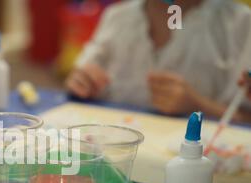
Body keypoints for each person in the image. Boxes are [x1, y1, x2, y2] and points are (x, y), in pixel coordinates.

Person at [66, 0, 251, 123]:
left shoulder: (238, 25)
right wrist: (82, 83)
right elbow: (81, 78)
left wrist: (198, 106)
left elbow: (245, 117)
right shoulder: (117, 17)